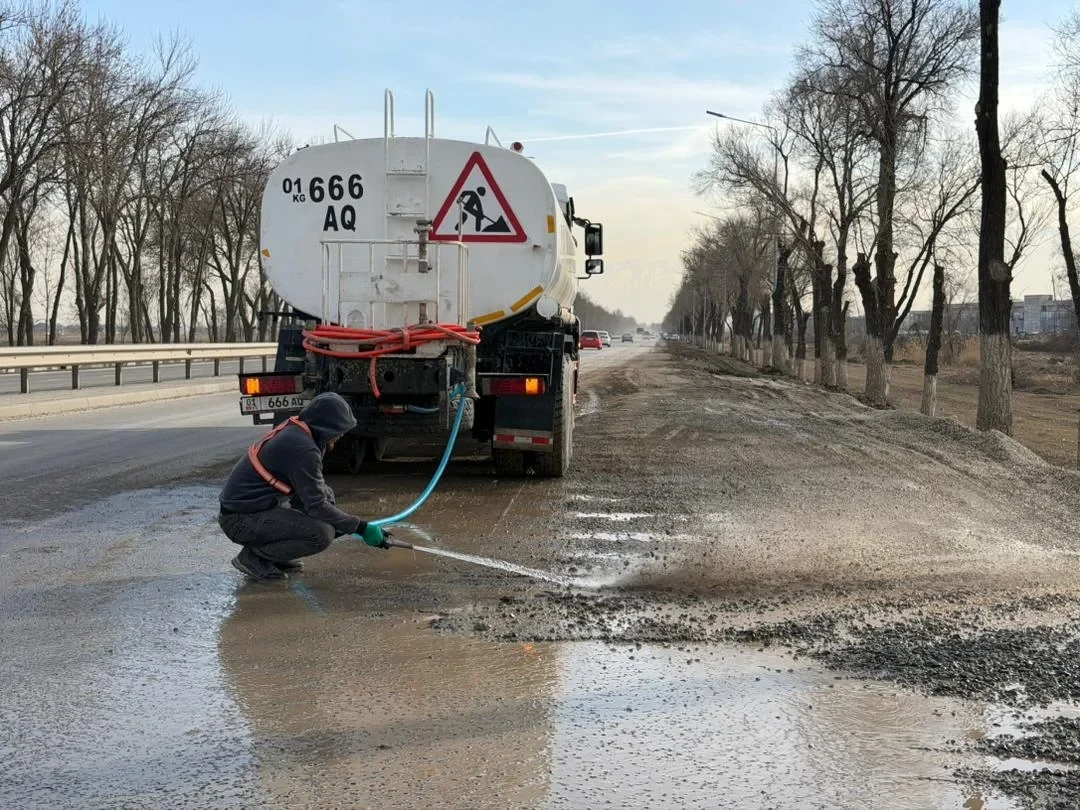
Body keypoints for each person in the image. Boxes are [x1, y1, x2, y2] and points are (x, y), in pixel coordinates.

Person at [218, 392, 389, 581]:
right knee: (321, 534)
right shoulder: (302, 448)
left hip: (258, 508)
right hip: (239, 520)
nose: (340, 436)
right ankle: (254, 557)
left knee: (327, 498)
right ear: (324, 427)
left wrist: (342, 523)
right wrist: (361, 528)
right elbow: (316, 506)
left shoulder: (302, 431)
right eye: (338, 430)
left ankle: (276, 555)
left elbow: (316, 495)